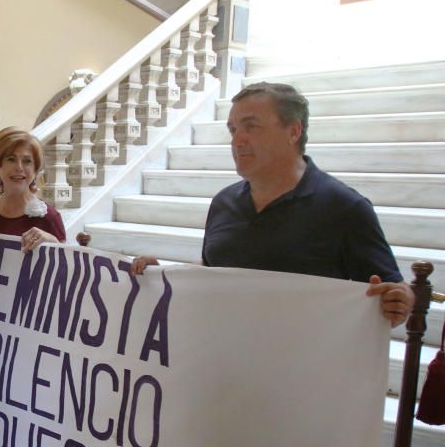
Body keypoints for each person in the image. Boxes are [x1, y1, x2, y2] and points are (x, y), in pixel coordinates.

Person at [131, 82, 413, 326]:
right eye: (232, 130)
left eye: (251, 127)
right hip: (222, 363)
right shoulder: (223, 202)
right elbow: (213, 267)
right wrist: (164, 276)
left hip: (300, 374)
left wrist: (401, 299)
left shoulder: (345, 208)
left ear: (293, 131)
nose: (237, 140)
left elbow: (392, 290)